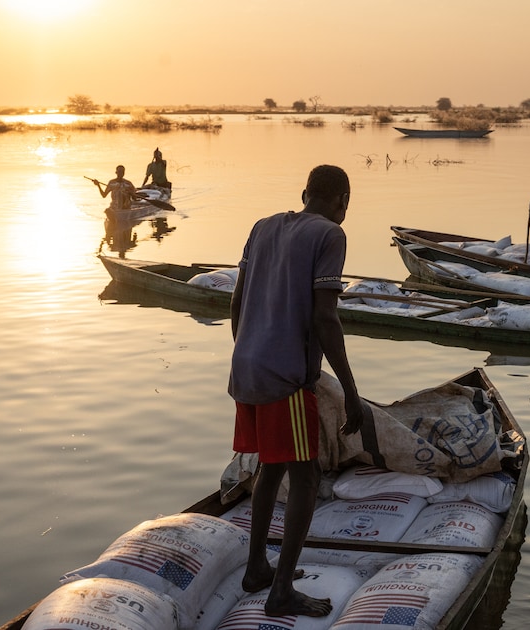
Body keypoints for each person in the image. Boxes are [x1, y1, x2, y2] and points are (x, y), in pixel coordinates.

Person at [228, 164, 372, 617]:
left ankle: (257, 569)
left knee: (272, 466)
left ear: (304, 191)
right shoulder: (331, 234)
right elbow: (324, 318)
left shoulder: (263, 225)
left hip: (246, 367)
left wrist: (249, 348)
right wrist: (351, 391)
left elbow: (236, 299)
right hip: (285, 376)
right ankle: (281, 592)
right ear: (342, 201)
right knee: (306, 476)